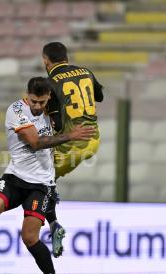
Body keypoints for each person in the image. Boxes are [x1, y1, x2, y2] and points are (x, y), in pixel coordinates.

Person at [0, 77, 96, 274]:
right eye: (34, 102)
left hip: (40, 184)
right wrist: (70, 135)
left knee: (29, 237)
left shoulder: (53, 109)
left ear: (48, 97)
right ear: (27, 96)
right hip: (15, 176)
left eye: (41, 102)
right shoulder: (17, 110)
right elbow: (36, 142)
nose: (38, 107)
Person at [41, 42, 105, 258]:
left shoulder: (50, 83)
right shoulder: (86, 71)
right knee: (46, 176)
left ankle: (53, 224)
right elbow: (100, 97)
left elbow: (58, 125)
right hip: (93, 139)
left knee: (38, 179)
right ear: (66, 57)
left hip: (74, 144)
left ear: (46, 61)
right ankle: (52, 202)